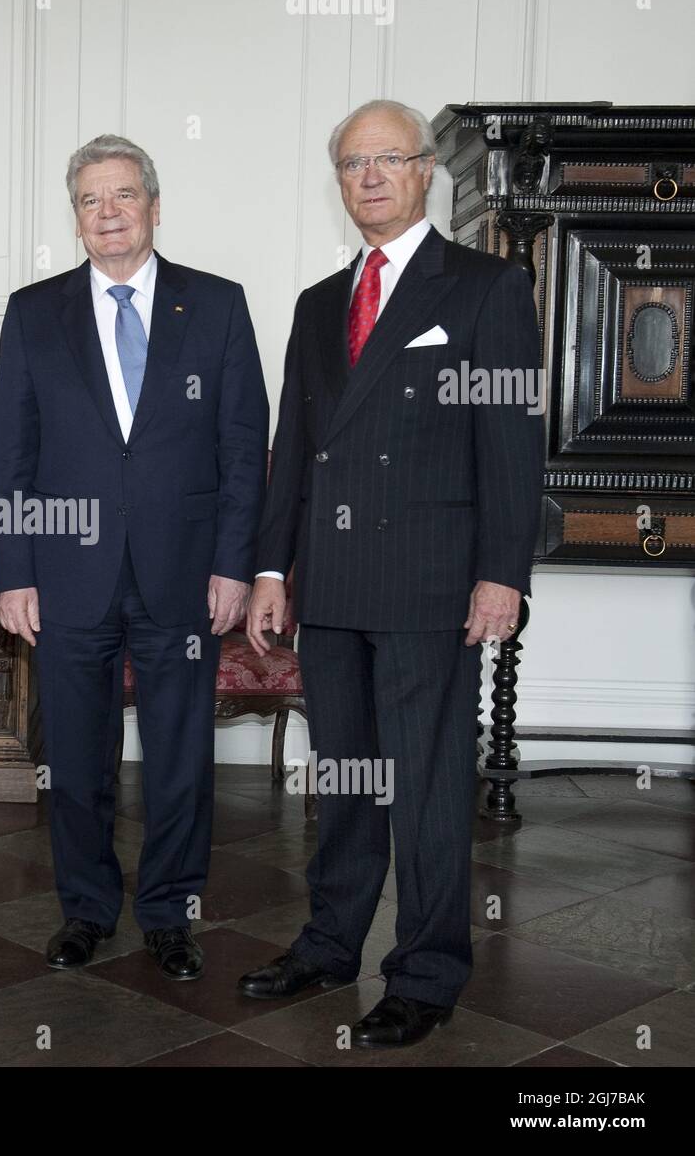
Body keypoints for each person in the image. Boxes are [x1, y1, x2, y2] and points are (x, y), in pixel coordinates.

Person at [239, 100, 543, 1047]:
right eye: (351, 164)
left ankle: (426, 969)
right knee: (349, 780)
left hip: (429, 587)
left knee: (425, 789)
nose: (370, 177)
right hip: (328, 585)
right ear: (339, 183)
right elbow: (296, 447)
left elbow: (512, 443)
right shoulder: (319, 302)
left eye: (389, 159)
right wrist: (267, 568)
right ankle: (330, 942)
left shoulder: (487, 288)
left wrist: (503, 573)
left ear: (424, 173)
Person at [0, 136, 267, 981]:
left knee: (182, 757)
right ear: (74, 216)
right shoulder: (34, 311)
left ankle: (172, 912)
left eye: (122, 196)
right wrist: (14, 573)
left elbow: (242, 446)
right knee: (76, 759)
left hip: (183, 573)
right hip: (66, 576)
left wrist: (233, 563)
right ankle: (85, 908)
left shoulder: (216, 304)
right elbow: (12, 455)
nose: (106, 213)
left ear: (153, 204)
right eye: (88, 200)